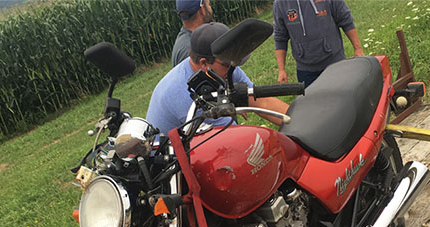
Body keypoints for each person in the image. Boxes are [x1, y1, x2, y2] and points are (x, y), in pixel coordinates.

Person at [147, 22, 289, 135]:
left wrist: (298, 121)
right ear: (204, 63)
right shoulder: (183, 94)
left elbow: (259, 101)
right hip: (172, 165)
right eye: (228, 64)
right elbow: (227, 138)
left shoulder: (223, 67)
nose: (233, 68)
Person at [273, 0, 364, 87]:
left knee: (343, 99)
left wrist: (358, 49)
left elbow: (345, 19)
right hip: (305, 70)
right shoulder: (280, 3)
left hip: (335, 62)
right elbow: (280, 37)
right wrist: (281, 70)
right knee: (314, 102)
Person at [171, 0, 214, 67]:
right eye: (209, 4)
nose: (210, 8)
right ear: (202, 10)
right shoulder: (191, 51)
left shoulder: (188, 42)